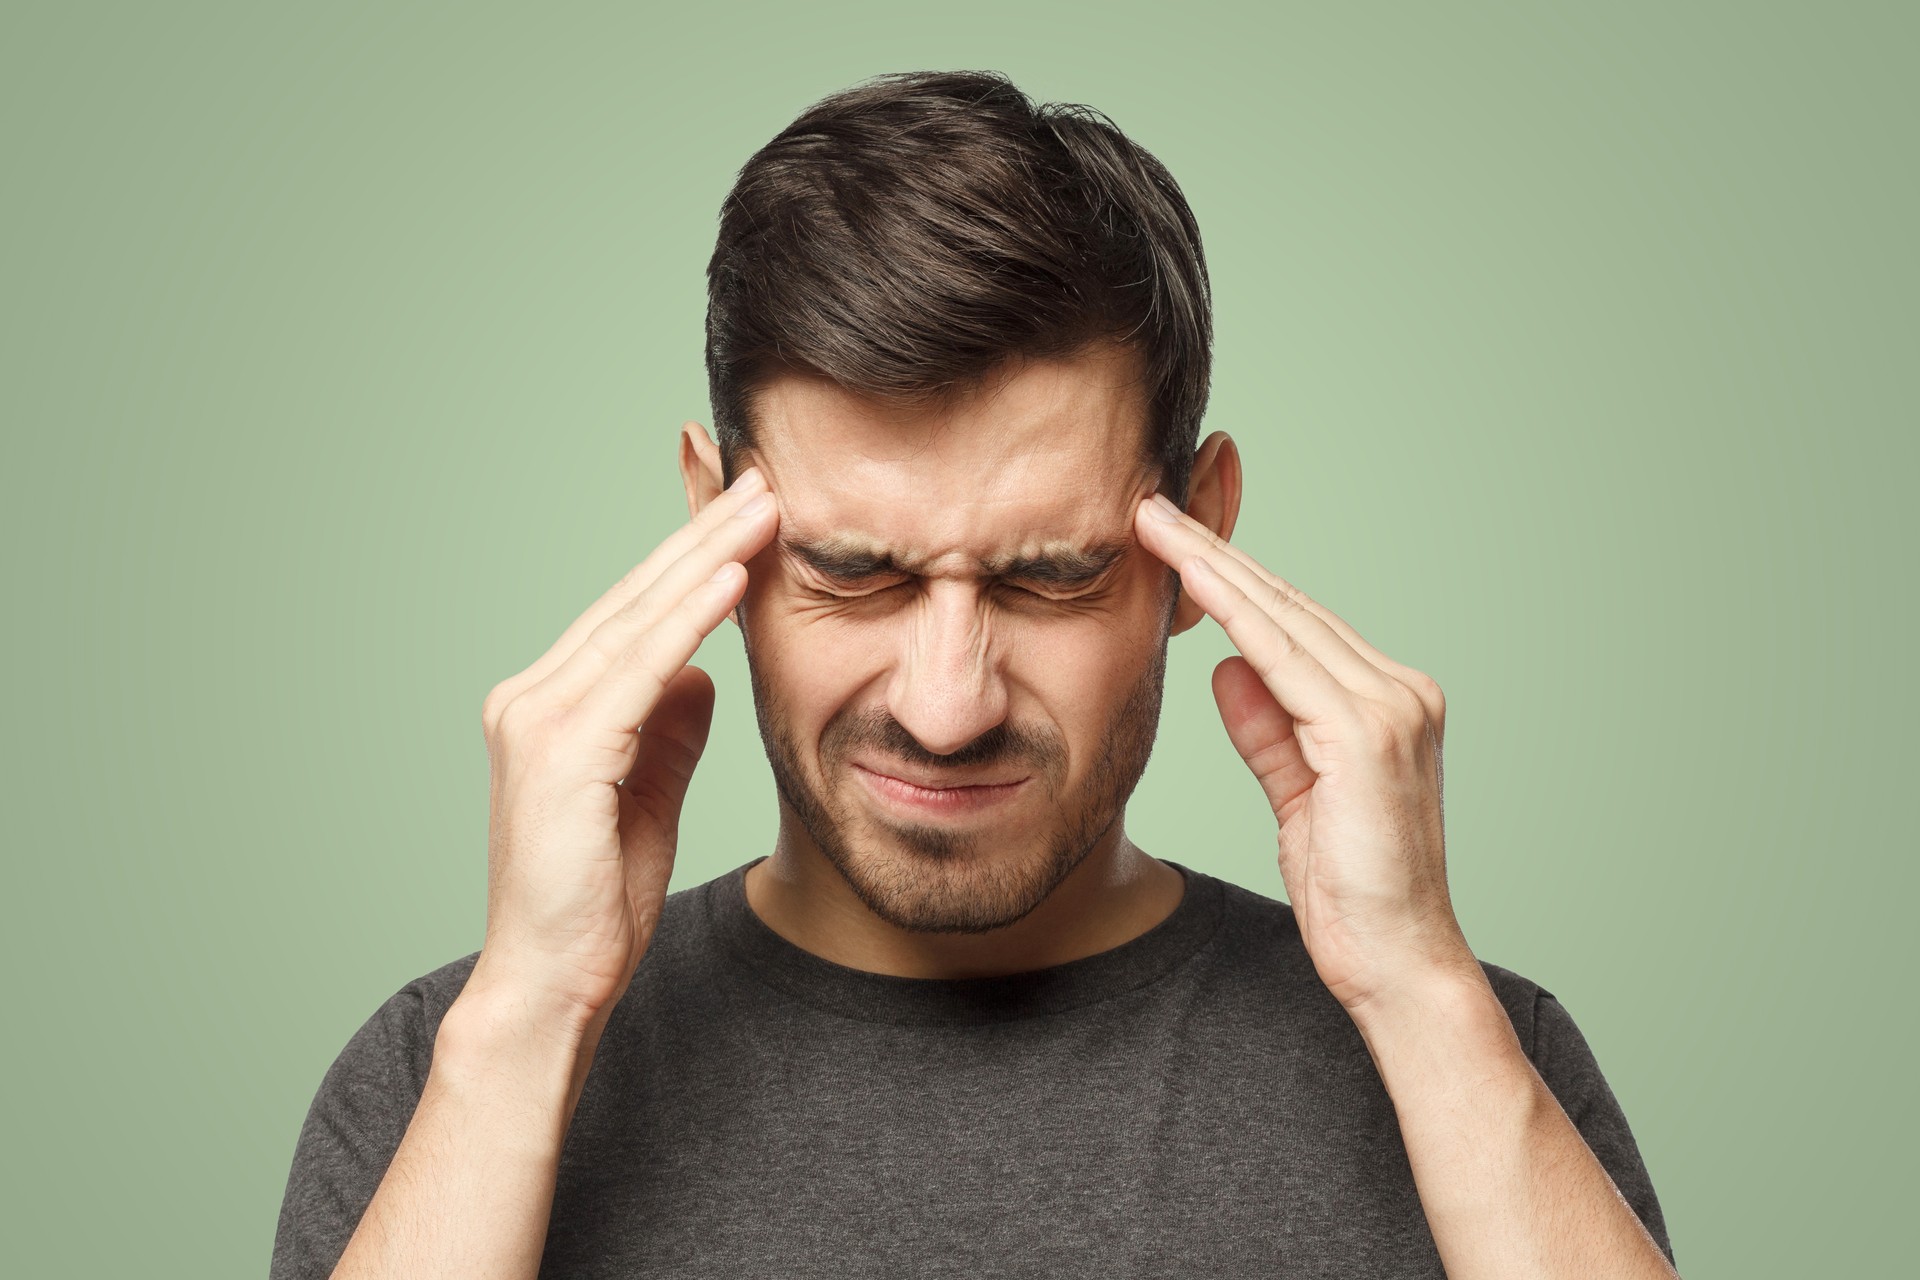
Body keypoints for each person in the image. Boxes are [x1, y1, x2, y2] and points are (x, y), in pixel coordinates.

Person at [270, 70, 1678, 1278]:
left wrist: (1420, 993)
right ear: (715, 528)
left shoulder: (1481, 1061)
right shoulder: (440, 1073)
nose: (947, 708)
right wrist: (531, 1012)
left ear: (1202, 543)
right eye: (852, 571)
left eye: (1051, 577)